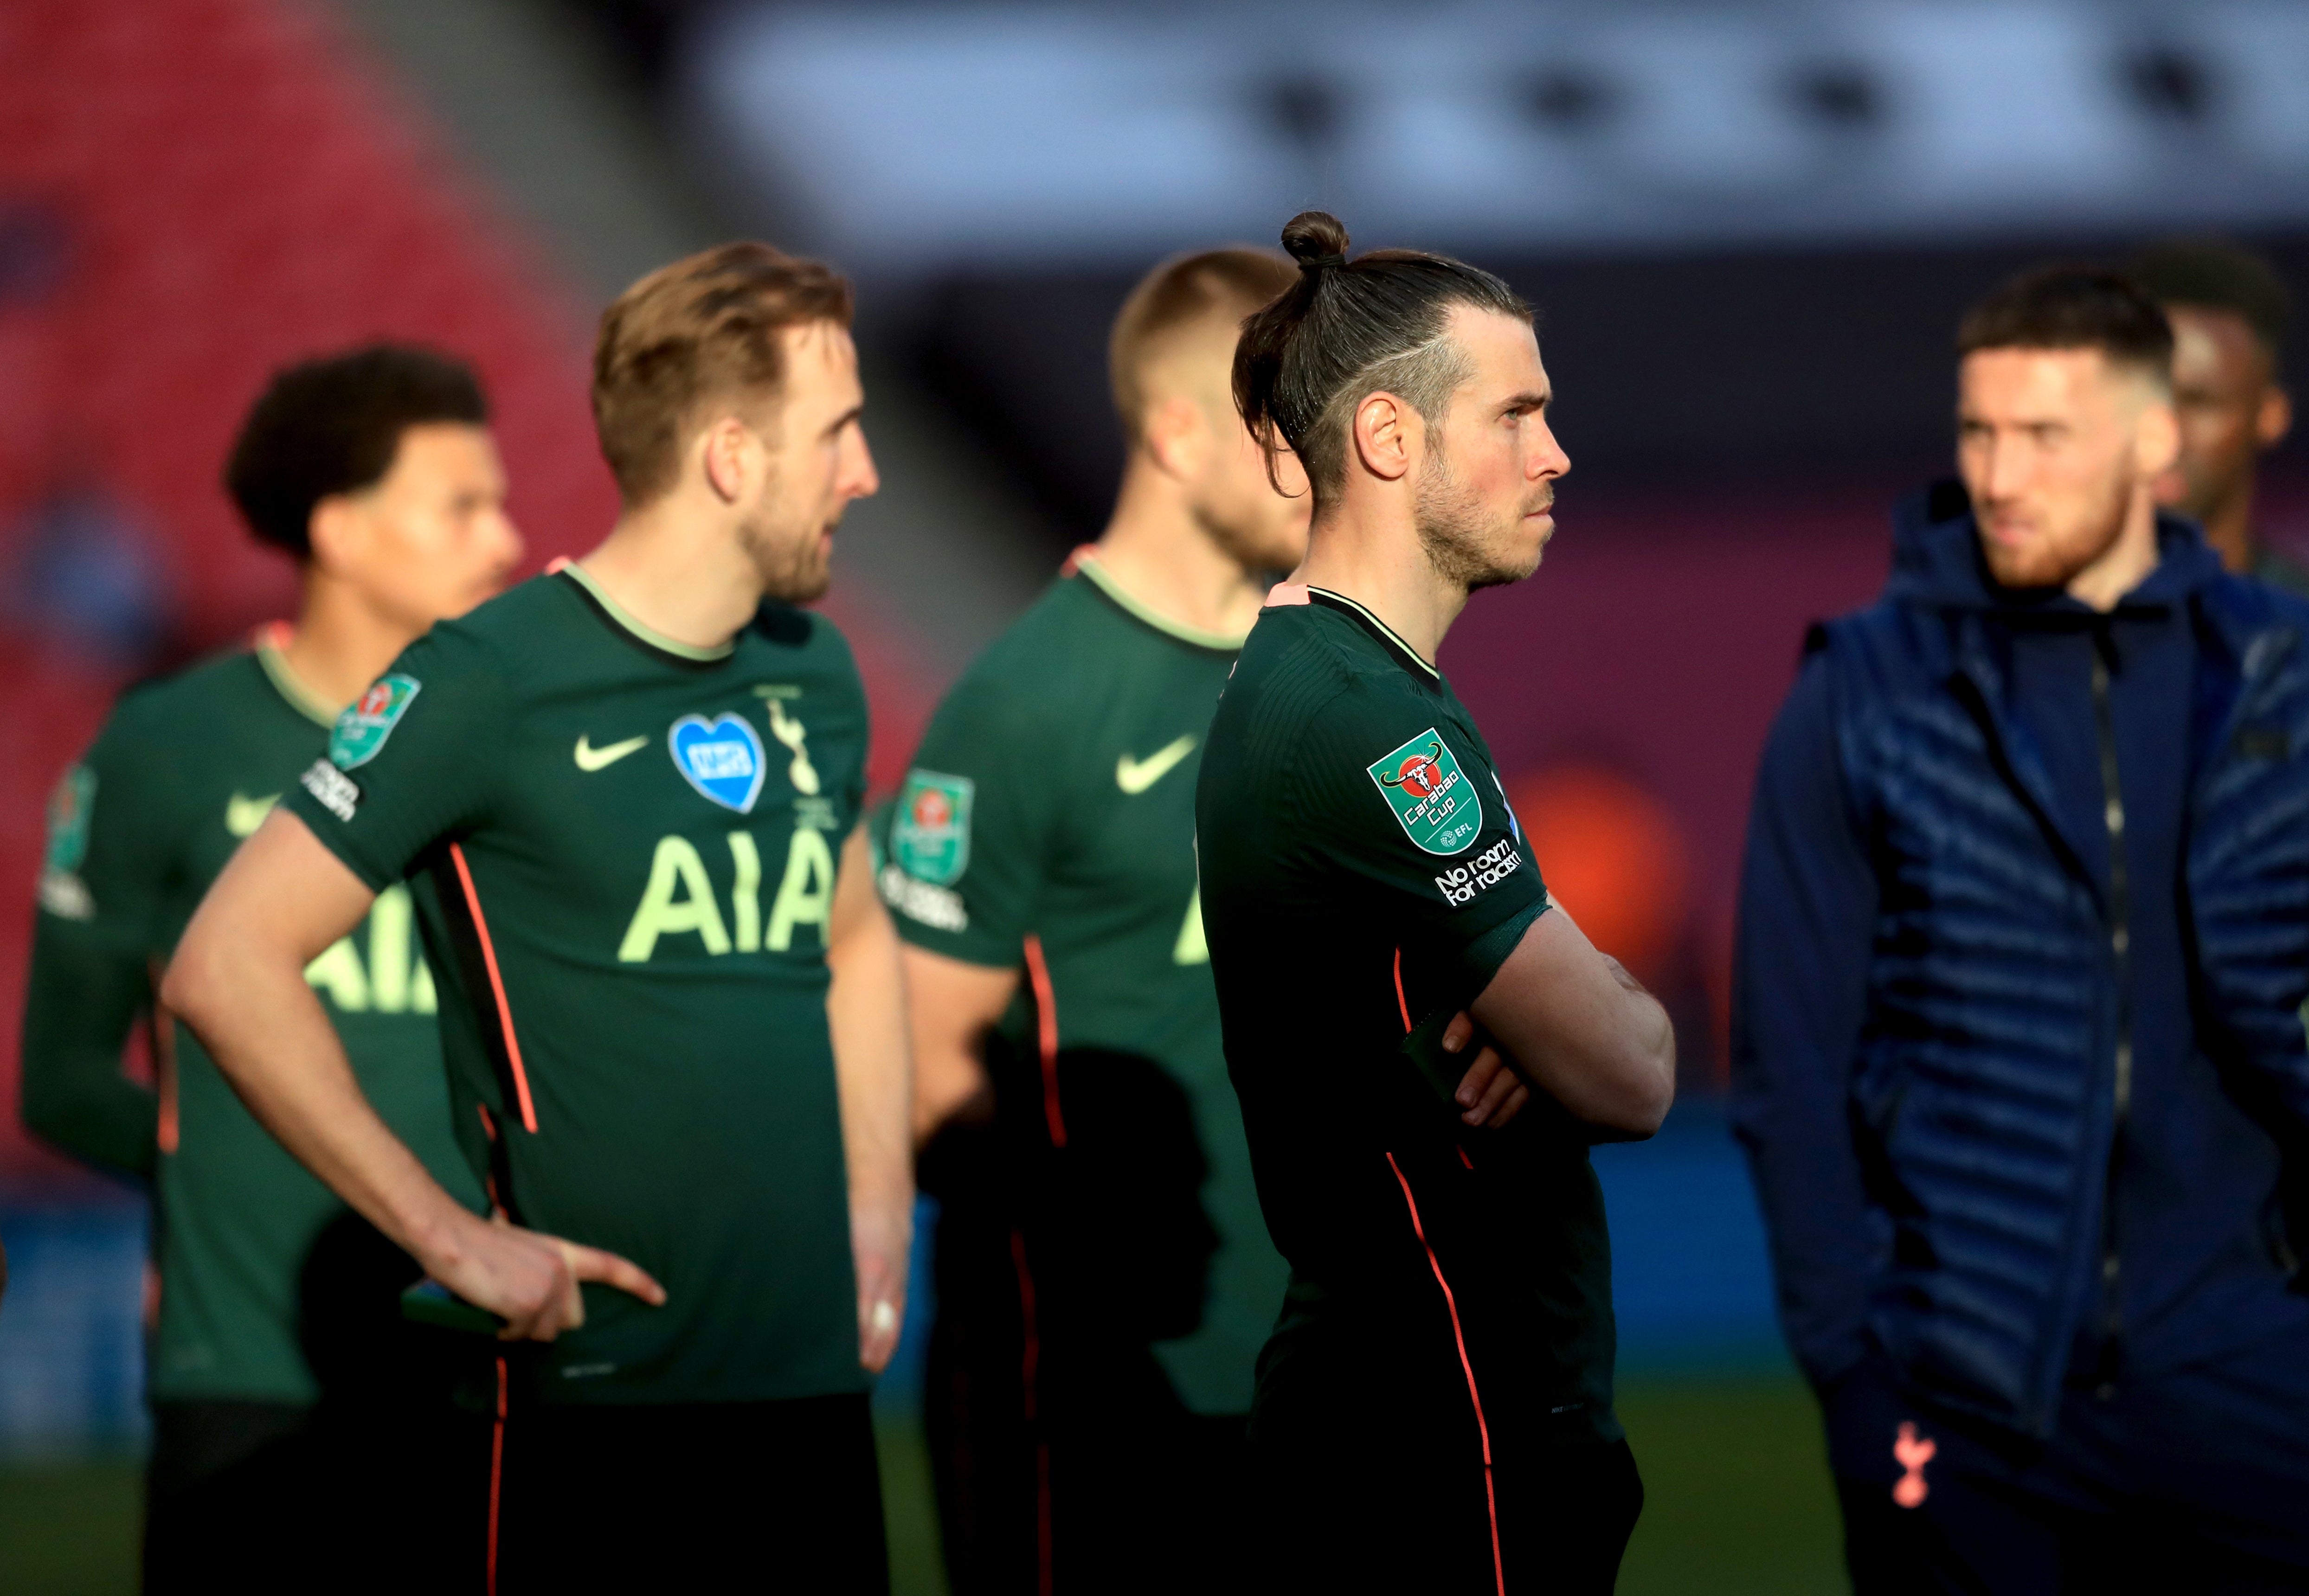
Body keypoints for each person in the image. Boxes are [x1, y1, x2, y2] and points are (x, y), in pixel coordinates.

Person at [161, 243, 910, 1593]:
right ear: (732, 455)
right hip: (589, 1415)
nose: (865, 473)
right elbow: (227, 961)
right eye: (839, 431)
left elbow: (853, 934)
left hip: (812, 1408)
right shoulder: (484, 681)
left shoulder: (820, 671)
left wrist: (879, 1200)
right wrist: (451, 1239)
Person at [1734, 265, 2309, 1592]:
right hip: (1970, 1407)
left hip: (2257, 1383)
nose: (1999, 475)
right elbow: (1791, 1072)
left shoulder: (2285, 675)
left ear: (2153, 442)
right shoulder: (1864, 693)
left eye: (2044, 436)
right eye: (1979, 432)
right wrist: (1854, 1389)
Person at [1196, 211, 1675, 1594]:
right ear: (1390, 439)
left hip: (1412, 1413)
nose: (1555, 453)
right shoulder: (1361, 719)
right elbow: (1634, 1074)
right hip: (1445, 1419)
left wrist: (1551, 1011)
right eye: (1517, 413)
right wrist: (1575, 1016)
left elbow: (1558, 1034)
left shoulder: (1342, 681)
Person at [19, 345, 521, 1593]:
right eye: (463, 504)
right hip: (248, 1374)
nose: (507, 539)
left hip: (491, 1353)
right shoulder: (169, 745)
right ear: (342, 530)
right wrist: (197, 1182)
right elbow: (62, 1076)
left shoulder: (534, 751)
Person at [886, 246, 1304, 1593]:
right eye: (1287, 422)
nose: (1330, 458)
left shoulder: (1329, 686)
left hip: (1318, 1366)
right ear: (1180, 430)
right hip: (1089, 1387)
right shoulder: (1027, 704)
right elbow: (917, 1064)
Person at [2125, 238, 2300, 592]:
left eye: (2197, 402)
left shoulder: (2298, 624)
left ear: (2270, 415)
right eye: (2141, 398)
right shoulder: (2013, 629)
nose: (2164, 432)